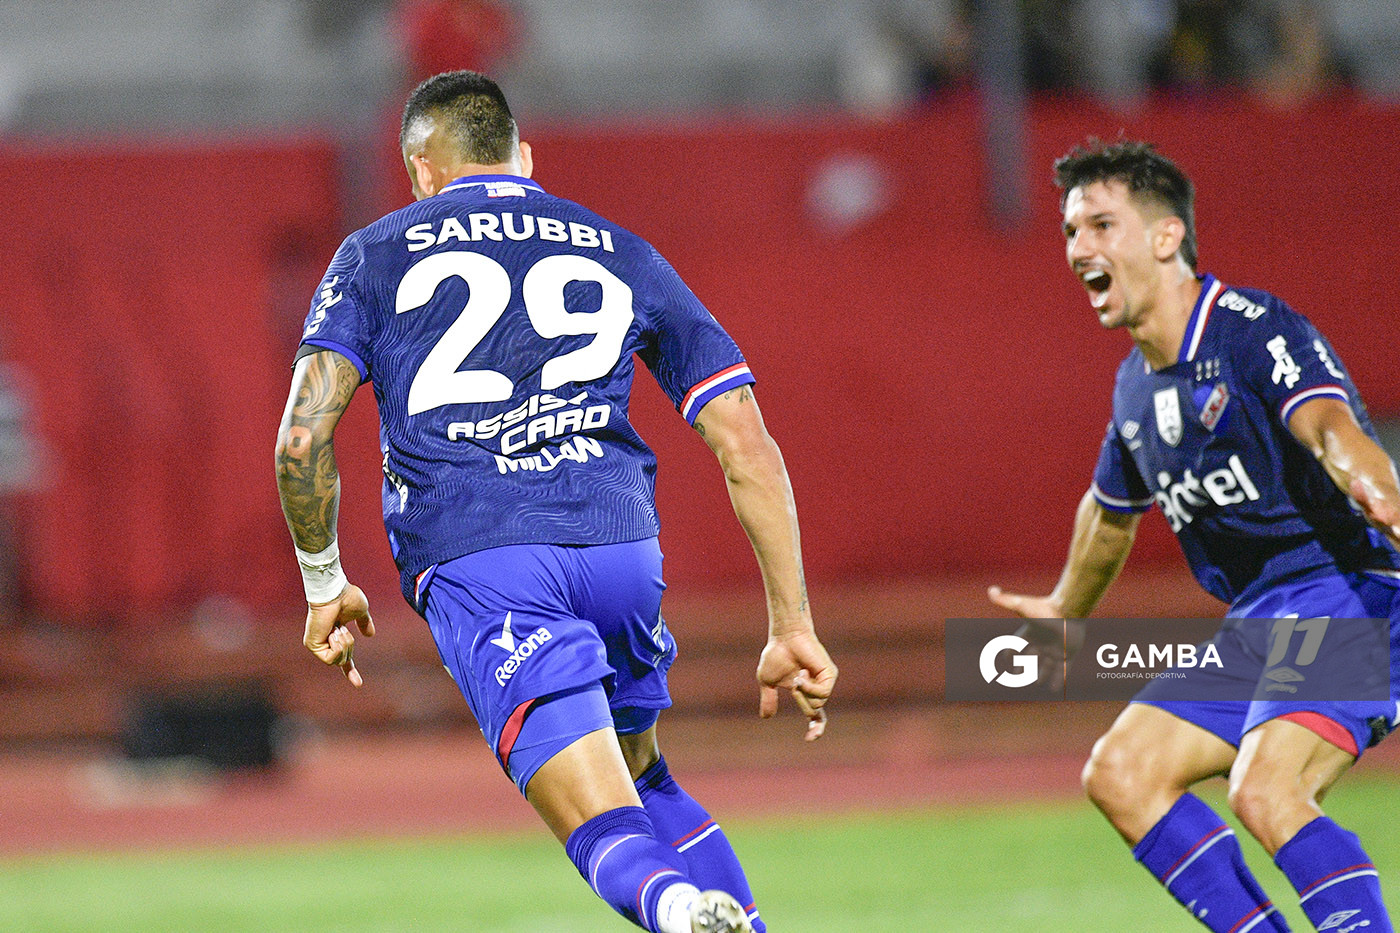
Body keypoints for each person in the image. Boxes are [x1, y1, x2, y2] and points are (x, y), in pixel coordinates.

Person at [274, 71, 835, 933]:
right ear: (523, 156)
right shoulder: (620, 248)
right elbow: (746, 442)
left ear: (422, 169)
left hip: (486, 557)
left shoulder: (375, 252)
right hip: (620, 553)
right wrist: (791, 621)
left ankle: (684, 912)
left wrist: (323, 581)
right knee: (646, 777)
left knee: (600, 821)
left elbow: (302, 440)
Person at [988, 138, 1400, 932]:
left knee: (1266, 788)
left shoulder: (1249, 328)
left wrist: (1370, 478)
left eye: (1101, 225)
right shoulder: (1136, 382)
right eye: (1071, 232)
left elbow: (1328, 424)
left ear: (1165, 236)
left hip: (1351, 594)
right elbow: (1111, 511)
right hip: (1262, 622)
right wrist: (1066, 606)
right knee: (1123, 771)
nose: (1079, 250)